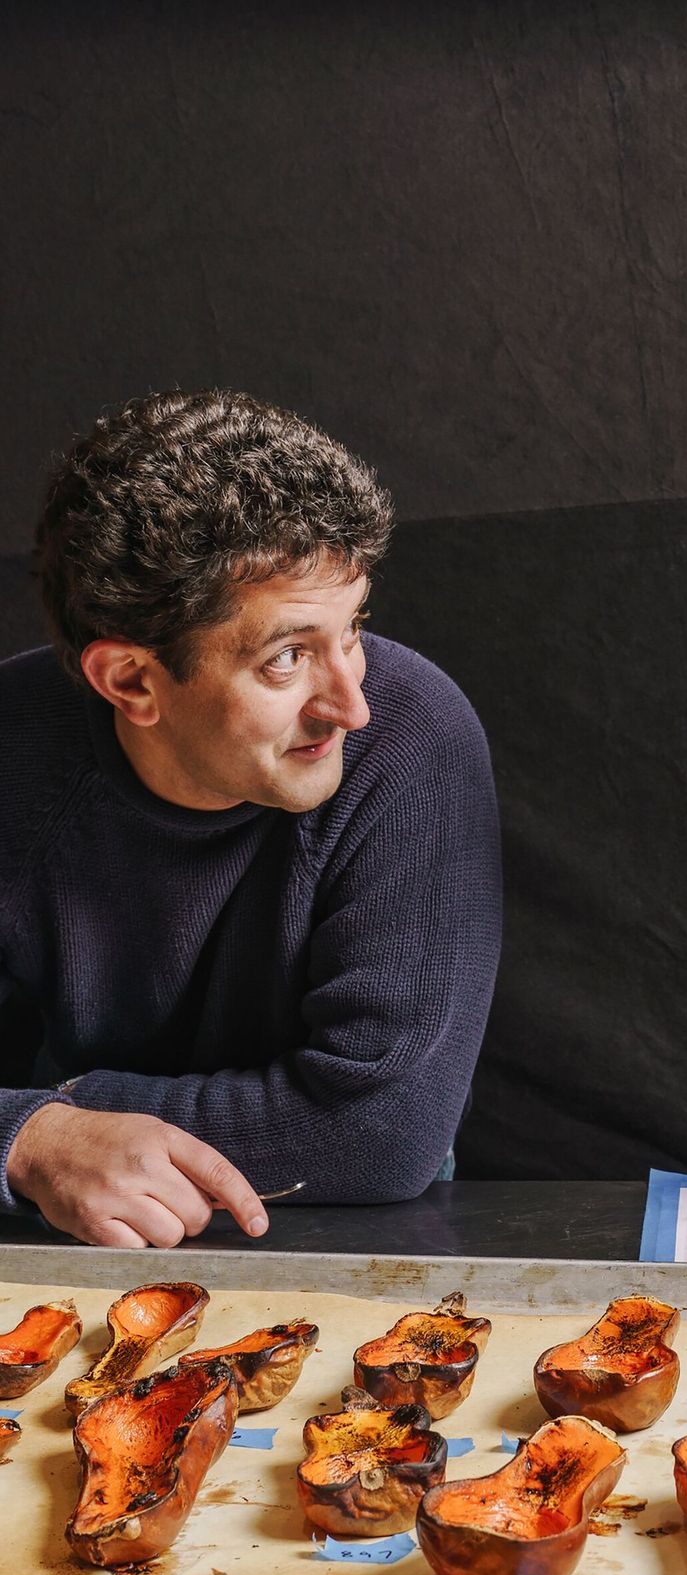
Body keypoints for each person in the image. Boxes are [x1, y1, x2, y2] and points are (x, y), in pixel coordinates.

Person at [0, 390, 501, 1248]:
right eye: (289, 657)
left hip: (349, 1232)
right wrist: (32, 1143)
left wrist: (47, 1118)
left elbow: (380, 1132)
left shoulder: (417, 734)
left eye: (355, 631)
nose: (352, 706)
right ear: (131, 682)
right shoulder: (12, 750)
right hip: (62, 1227)